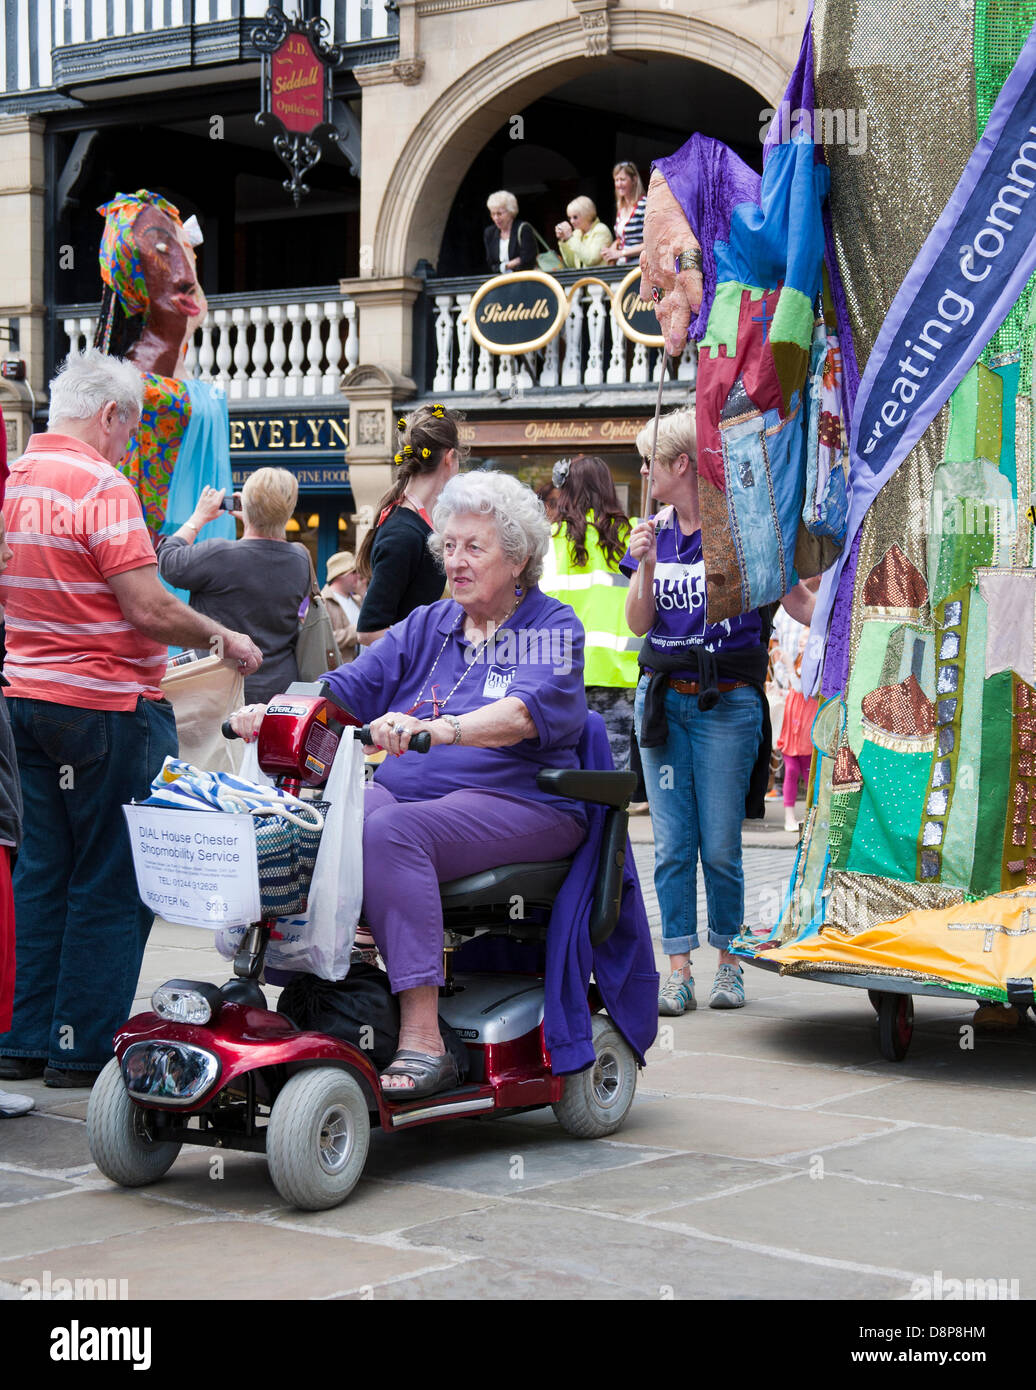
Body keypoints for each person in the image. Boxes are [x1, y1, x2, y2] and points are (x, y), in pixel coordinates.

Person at [232, 470, 588, 1098]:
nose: (455, 561)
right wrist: (276, 711)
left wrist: (442, 730)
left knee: (390, 830)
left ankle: (423, 1038)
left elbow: (523, 714)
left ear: (519, 556)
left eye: (474, 547)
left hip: (524, 802)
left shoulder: (553, 626)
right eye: (448, 546)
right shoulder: (430, 623)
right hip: (418, 799)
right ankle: (324, 989)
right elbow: (346, 688)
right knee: (318, 817)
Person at [0, 350, 261, 1088]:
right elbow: (146, 606)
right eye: (132, 430)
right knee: (112, 878)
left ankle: (22, 1036)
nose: (129, 445)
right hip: (104, 707)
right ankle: (80, 1047)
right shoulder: (102, 484)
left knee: (43, 870)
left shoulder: (13, 480)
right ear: (110, 416)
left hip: (24, 701)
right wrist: (219, 635)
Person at [623, 407, 815, 1016]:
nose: (644, 471)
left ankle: (728, 962)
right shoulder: (654, 529)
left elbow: (799, 601)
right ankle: (677, 969)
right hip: (662, 702)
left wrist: (855, 625)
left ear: (682, 464)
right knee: (674, 844)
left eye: (650, 461)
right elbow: (637, 623)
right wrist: (646, 562)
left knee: (722, 846)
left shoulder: (743, 526)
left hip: (726, 705)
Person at [156, 467, 310, 702]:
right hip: (280, 690)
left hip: (219, 690)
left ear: (246, 505)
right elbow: (274, 551)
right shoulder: (301, 558)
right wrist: (258, 519)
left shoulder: (219, 554)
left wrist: (198, 517)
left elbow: (167, 559)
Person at [539, 455, 639, 771]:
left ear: (567, 491)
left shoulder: (549, 542)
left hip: (563, 674)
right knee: (614, 770)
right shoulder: (634, 534)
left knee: (567, 767)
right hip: (621, 673)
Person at [355, 403, 460, 645]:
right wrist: (438, 633)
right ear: (450, 458)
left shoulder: (413, 526)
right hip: (402, 680)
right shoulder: (402, 534)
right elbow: (368, 632)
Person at [772, 604, 821, 833]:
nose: (801, 642)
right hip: (793, 720)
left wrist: (790, 667)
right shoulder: (801, 659)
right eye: (801, 638)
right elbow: (794, 689)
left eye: (806, 638)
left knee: (807, 771)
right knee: (791, 769)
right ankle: (789, 816)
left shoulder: (811, 663)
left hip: (806, 720)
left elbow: (803, 687)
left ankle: (812, 813)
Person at [322, 551, 367, 664]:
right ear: (341, 575)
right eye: (354, 572)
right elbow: (321, 640)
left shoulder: (357, 600)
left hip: (359, 670)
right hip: (338, 672)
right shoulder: (322, 602)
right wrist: (355, 632)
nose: (358, 576)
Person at [601, 162, 647, 267]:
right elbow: (621, 239)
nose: (619, 184)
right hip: (622, 265)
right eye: (616, 180)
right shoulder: (620, 208)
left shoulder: (644, 205)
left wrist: (619, 253)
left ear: (634, 179)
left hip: (638, 266)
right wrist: (610, 251)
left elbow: (649, 243)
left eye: (623, 179)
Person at [483, 191, 536, 275]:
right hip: (499, 282)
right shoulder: (489, 233)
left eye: (499, 214)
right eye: (493, 214)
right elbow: (491, 264)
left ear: (510, 212)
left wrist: (501, 266)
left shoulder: (524, 229)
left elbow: (527, 260)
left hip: (522, 280)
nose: (496, 218)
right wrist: (509, 265)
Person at [555, 197, 612, 270]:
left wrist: (570, 238)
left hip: (599, 279)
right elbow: (571, 264)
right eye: (569, 218)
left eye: (575, 217)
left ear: (587, 214)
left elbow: (591, 259)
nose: (571, 221)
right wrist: (564, 240)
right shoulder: (577, 233)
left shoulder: (601, 230)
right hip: (583, 279)